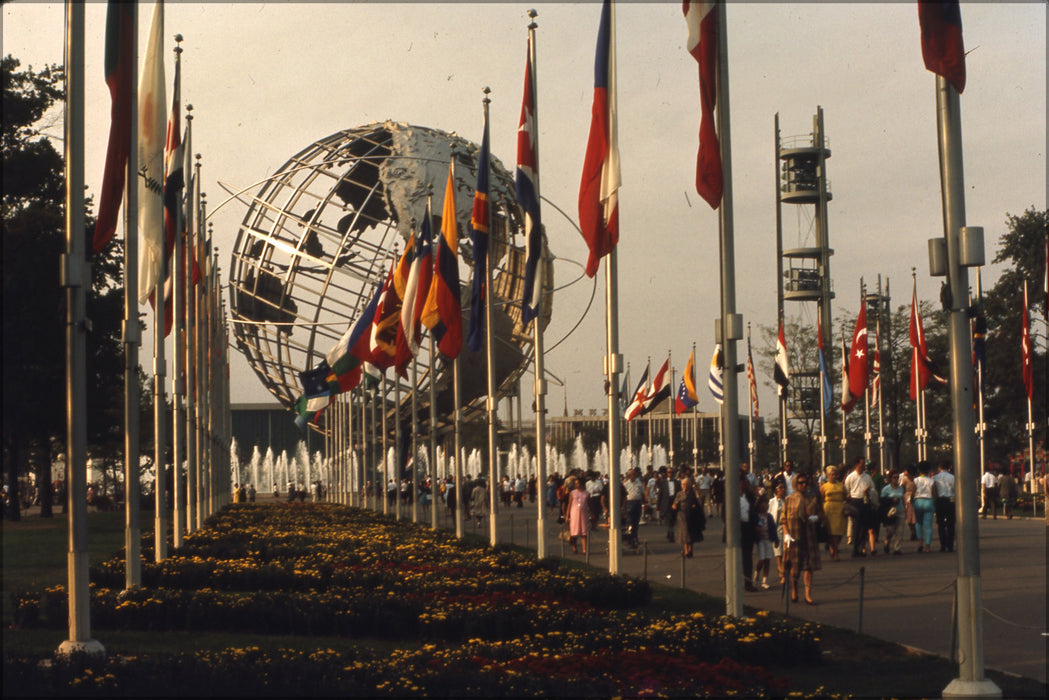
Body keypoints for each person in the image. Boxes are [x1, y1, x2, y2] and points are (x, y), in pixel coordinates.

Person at [782, 472, 823, 605]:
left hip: (808, 536)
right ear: (795, 484)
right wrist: (786, 533)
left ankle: (807, 594)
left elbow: (820, 513)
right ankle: (794, 590)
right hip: (794, 537)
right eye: (800, 483)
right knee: (795, 568)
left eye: (805, 482)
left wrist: (816, 517)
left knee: (808, 567)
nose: (803, 485)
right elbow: (783, 519)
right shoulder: (789, 499)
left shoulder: (812, 498)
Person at [844, 457, 877, 557]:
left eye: (864, 464)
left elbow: (872, 488)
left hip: (865, 501)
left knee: (864, 527)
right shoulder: (850, 477)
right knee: (856, 526)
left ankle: (861, 548)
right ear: (856, 465)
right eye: (861, 464)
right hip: (855, 501)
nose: (863, 466)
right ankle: (855, 549)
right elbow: (846, 489)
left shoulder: (867, 477)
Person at [671, 476, 704, 557]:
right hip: (681, 515)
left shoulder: (692, 493)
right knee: (684, 533)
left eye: (686, 484)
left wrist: (694, 506)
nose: (684, 486)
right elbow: (674, 504)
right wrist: (674, 506)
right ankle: (686, 550)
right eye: (683, 484)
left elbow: (698, 502)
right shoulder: (679, 494)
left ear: (689, 485)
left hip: (691, 515)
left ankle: (690, 548)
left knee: (690, 533)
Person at [819, 465, 847, 560]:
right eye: (831, 475)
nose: (833, 476)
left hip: (839, 508)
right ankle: (835, 553)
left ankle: (833, 547)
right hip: (829, 509)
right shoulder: (824, 486)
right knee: (832, 532)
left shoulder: (841, 485)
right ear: (827, 475)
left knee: (839, 533)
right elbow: (821, 499)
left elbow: (845, 495)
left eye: (835, 474)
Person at [913, 461, 938, 553]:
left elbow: (913, 492)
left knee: (918, 523)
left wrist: (911, 501)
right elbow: (934, 493)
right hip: (929, 501)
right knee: (928, 526)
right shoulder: (932, 481)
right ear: (929, 470)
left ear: (919, 470)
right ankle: (927, 546)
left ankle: (920, 543)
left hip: (918, 501)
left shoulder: (916, 480)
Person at [754, 496, 778, 588]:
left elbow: (773, 529)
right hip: (760, 541)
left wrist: (776, 540)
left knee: (767, 560)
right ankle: (757, 571)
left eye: (767, 503)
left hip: (768, 539)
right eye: (764, 503)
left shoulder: (769, 516)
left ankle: (764, 581)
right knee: (762, 559)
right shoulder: (756, 516)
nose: (766, 505)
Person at [879, 470, 905, 555]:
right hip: (891, 511)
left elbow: (903, 499)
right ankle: (887, 541)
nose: (896, 479)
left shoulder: (901, 488)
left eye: (897, 477)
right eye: (894, 477)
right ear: (890, 478)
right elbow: (882, 501)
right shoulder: (886, 489)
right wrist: (892, 500)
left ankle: (897, 548)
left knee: (900, 531)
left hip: (900, 510)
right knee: (890, 529)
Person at [933, 460, 956, 552]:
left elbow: (934, 490)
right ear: (949, 467)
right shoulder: (953, 477)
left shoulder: (935, 477)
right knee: (951, 523)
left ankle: (942, 545)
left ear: (940, 468)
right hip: (950, 500)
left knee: (940, 524)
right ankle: (950, 545)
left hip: (940, 500)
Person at [768, 480, 787, 584]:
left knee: (785, 553)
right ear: (776, 490)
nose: (782, 490)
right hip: (776, 529)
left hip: (785, 528)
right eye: (780, 488)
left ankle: (783, 571)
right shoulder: (771, 502)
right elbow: (769, 514)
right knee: (778, 553)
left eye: (783, 487)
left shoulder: (787, 500)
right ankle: (781, 572)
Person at [623, 467, 644, 548]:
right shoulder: (626, 484)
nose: (633, 476)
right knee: (630, 521)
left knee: (636, 521)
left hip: (637, 503)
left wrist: (644, 502)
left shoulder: (639, 482)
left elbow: (642, 492)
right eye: (631, 475)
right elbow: (624, 495)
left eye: (634, 474)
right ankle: (629, 538)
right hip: (629, 503)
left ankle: (635, 537)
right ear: (628, 476)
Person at [567, 478, 590, 554]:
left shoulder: (586, 493)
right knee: (574, 532)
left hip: (583, 514)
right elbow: (569, 504)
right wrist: (567, 515)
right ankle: (574, 546)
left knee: (584, 532)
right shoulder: (572, 493)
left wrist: (591, 513)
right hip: (574, 514)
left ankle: (584, 549)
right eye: (575, 483)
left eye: (578, 483)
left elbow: (589, 504)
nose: (576, 485)